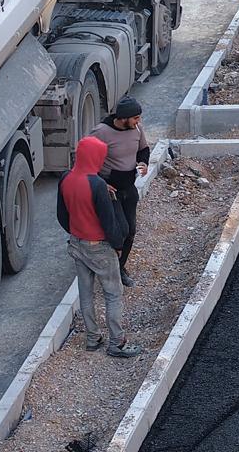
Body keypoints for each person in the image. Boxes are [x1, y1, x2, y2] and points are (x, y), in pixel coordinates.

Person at [56, 135, 143, 358]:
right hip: (99, 247)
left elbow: (61, 216)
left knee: (86, 293)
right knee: (113, 293)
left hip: (77, 244)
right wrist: (118, 246)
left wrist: (77, 233)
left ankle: (92, 338)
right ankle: (117, 343)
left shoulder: (66, 178)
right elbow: (109, 221)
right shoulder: (96, 185)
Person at [90, 97, 150, 287]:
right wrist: (100, 183)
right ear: (123, 118)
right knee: (120, 231)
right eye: (135, 118)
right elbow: (85, 160)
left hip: (128, 188)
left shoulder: (137, 129)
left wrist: (143, 163)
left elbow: (144, 149)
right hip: (110, 191)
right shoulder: (101, 132)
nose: (138, 122)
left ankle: (120, 268)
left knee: (131, 231)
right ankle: (106, 268)